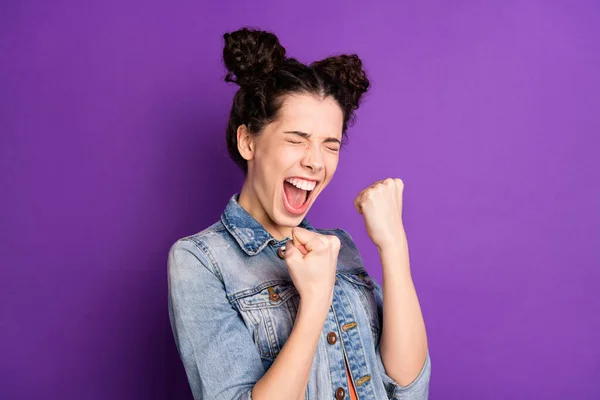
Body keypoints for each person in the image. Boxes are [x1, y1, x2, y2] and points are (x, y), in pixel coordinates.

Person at [167, 27, 431, 400]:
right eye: (296, 140)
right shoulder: (199, 261)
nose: (315, 162)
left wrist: (393, 245)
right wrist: (315, 302)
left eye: (330, 145)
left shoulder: (339, 246)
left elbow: (408, 388)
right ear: (248, 141)